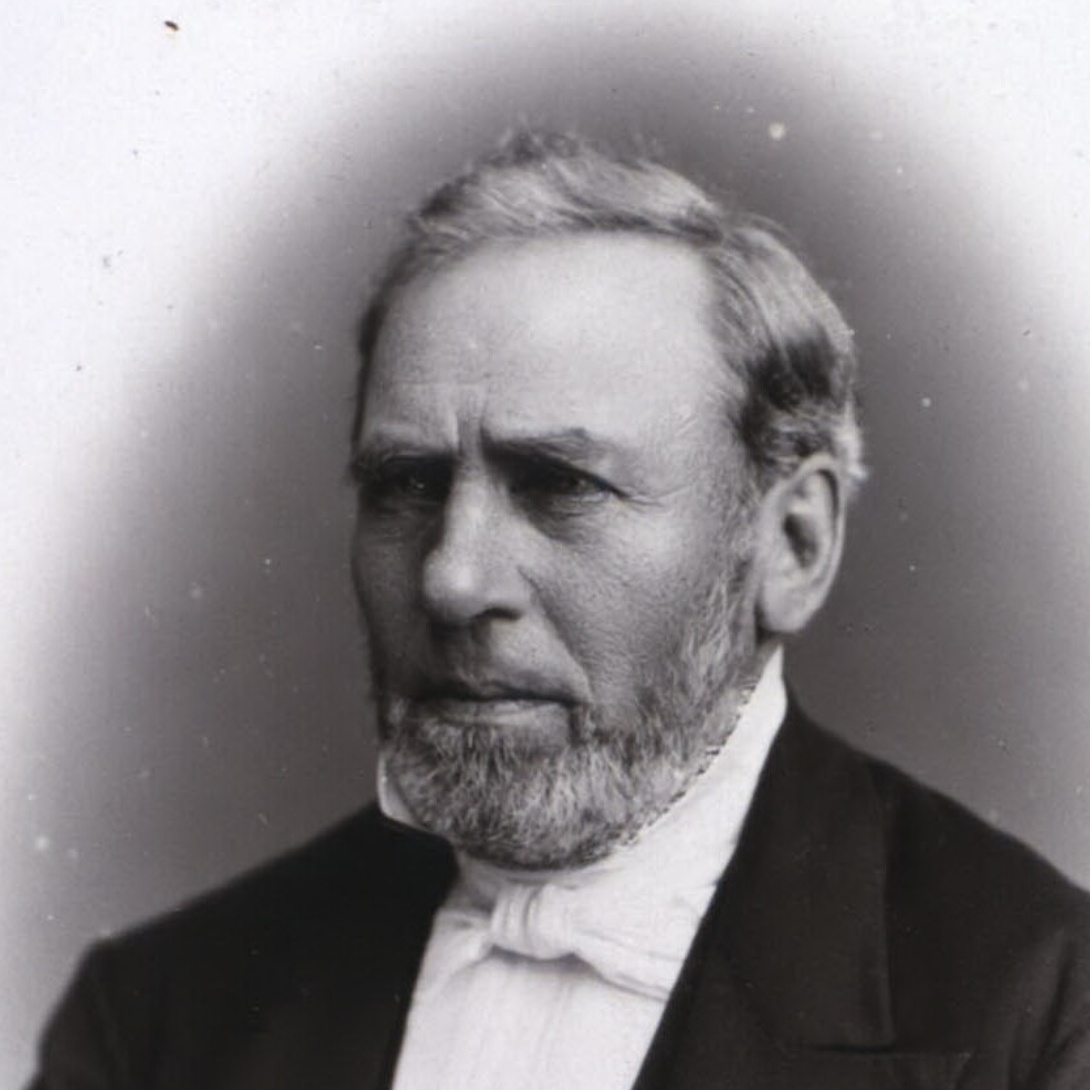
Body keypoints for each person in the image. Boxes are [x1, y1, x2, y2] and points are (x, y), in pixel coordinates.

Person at [29, 130, 1090, 1090]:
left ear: (792, 542)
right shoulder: (154, 1021)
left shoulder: (1042, 1012)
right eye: (407, 484)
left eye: (561, 485)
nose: (452, 579)